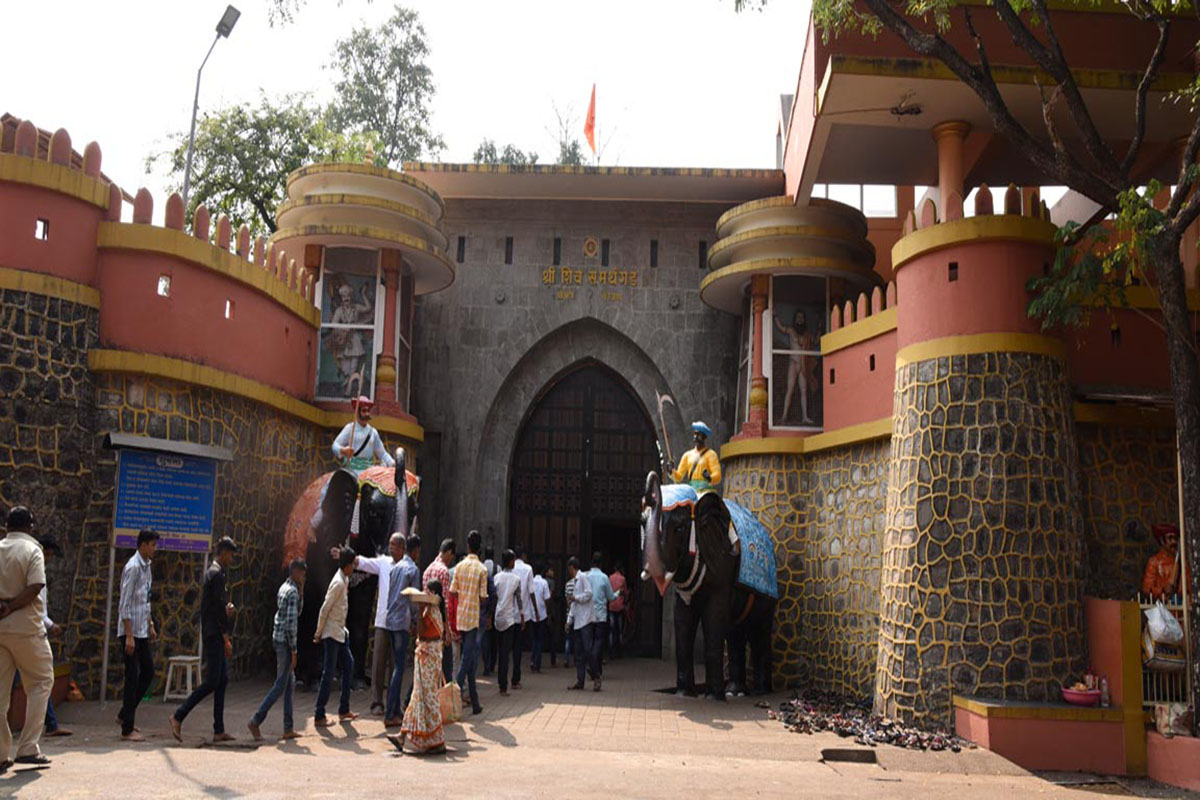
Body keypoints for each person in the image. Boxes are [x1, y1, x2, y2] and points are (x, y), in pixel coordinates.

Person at [0, 506, 55, 770]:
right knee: (41, 682)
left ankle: (1, 753)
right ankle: (28, 747)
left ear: (7, 526)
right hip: (26, 629)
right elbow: (35, 586)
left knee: (0, 694)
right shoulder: (33, 550)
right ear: (30, 526)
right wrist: (11, 606)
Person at [171, 536, 239, 743]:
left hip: (213, 632)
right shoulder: (216, 574)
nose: (231, 559)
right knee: (212, 681)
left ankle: (219, 729)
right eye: (230, 555)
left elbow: (217, 605)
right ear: (224, 553)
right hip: (214, 634)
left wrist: (226, 609)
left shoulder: (215, 573)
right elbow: (217, 611)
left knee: (222, 680)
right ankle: (178, 716)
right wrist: (225, 637)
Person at [335, 532, 411, 717]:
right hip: (383, 621)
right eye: (389, 544)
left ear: (401, 548)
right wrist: (346, 556)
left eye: (393, 545)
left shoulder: (408, 568)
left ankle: (393, 703)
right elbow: (364, 563)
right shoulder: (384, 563)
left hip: (399, 623)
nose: (390, 548)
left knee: (395, 665)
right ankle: (377, 703)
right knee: (378, 663)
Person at [312, 396, 395, 533]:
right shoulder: (349, 429)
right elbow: (335, 445)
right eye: (364, 410)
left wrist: (392, 463)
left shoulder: (373, 433)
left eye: (368, 410)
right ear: (358, 412)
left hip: (368, 472)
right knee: (328, 486)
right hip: (351, 470)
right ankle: (318, 518)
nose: (366, 413)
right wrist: (343, 450)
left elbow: (382, 453)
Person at [249, 558, 306, 741]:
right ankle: (256, 720)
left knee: (289, 684)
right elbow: (291, 624)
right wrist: (294, 651)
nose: (303, 577)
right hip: (285, 643)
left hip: (279, 639)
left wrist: (302, 592)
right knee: (281, 684)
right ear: (296, 572)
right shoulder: (292, 593)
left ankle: (288, 727)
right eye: (302, 573)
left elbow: (294, 613)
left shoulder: (284, 588)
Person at [389, 581, 446, 755]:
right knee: (418, 697)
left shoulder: (430, 611)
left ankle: (438, 740)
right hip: (430, 656)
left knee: (428, 698)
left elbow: (421, 633)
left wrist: (420, 611)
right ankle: (402, 735)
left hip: (427, 657)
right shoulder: (436, 610)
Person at [117, 528, 159, 742]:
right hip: (130, 631)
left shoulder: (147, 567)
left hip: (141, 629)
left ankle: (126, 712)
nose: (154, 549)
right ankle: (127, 728)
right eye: (152, 545)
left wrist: (150, 624)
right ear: (143, 545)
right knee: (132, 677)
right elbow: (124, 602)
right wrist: (129, 635)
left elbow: (145, 600)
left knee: (148, 672)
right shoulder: (133, 567)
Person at [314, 547, 359, 727]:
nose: (354, 568)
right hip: (332, 633)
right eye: (352, 565)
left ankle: (344, 709)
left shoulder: (344, 579)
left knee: (349, 665)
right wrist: (318, 632)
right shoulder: (338, 583)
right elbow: (325, 608)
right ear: (347, 565)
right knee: (329, 672)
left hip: (340, 631)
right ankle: (319, 713)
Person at [448, 530, 488, 715]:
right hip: (472, 618)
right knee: (466, 659)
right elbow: (483, 596)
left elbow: (452, 591)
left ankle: (476, 702)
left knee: (469, 659)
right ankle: (454, 691)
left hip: (461, 617)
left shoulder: (459, 567)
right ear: (480, 548)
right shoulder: (482, 569)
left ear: (467, 546)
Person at [34, 535, 70, 738]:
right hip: (32, 632)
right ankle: (50, 723)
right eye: (46, 554)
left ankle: (51, 722)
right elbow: (36, 607)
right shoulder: (34, 572)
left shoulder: (39, 571)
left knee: (41, 679)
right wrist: (50, 625)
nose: (47, 559)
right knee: (44, 678)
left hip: (32, 629)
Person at [383, 535, 420, 727]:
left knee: (396, 666)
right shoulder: (412, 569)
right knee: (399, 667)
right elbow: (414, 599)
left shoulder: (396, 568)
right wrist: (416, 621)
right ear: (415, 550)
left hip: (391, 619)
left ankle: (395, 709)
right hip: (402, 621)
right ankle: (390, 713)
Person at [774, 309, 818, 424]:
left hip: (803, 364)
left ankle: (805, 417)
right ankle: (784, 416)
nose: (800, 319)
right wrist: (775, 315)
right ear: (795, 319)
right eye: (798, 317)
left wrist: (820, 326)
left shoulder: (807, 334)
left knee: (804, 390)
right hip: (793, 362)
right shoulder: (791, 330)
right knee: (790, 389)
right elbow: (780, 328)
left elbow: (815, 341)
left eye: (802, 317)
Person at [493, 550, 525, 695]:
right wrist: (522, 616)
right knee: (505, 654)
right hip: (509, 618)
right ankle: (503, 686)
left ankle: (500, 682)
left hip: (498, 616)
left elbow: (493, 597)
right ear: (511, 561)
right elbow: (519, 599)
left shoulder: (496, 578)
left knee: (500, 651)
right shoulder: (516, 579)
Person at [424, 538, 455, 683]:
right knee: (446, 665)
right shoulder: (444, 571)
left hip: (428, 622)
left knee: (428, 663)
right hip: (439, 623)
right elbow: (446, 603)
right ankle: (448, 694)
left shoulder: (427, 570)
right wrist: (447, 630)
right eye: (452, 556)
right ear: (449, 553)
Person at [586, 552, 616, 690]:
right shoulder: (604, 578)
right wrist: (618, 594)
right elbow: (610, 597)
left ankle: (595, 669)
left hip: (587, 615)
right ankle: (594, 665)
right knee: (598, 643)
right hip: (600, 615)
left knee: (591, 641)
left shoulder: (586, 576)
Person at [566, 557, 596, 691]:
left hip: (586, 620)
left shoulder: (583, 577)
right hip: (578, 621)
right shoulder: (575, 581)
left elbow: (589, 594)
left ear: (572, 568)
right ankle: (580, 680)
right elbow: (573, 604)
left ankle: (596, 675)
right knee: (578, 653)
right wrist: (569, 620)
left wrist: (576, 598)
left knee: (588, 650)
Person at [672, 422, 722, 496]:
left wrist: (710, 478)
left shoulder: (711, 454)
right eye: (695, 434)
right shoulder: (687, 455)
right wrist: (672, 471)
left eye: (699, 434)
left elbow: (718, 475)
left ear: (704, 437)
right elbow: (679, 477)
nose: (696, 436)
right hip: (692, 492)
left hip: (706, 492)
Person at [1143, 523, 1189, 599]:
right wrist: (1163, 590)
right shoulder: (1154, 562)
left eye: (1175, 538)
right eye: (1170, 538)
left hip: (1180, 604)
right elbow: (1147, 589)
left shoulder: (1183, 563)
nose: (1174, 542)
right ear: (1162, 541)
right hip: (1162, 605)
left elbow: (1189, 588)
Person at [511, 546, 533, 688]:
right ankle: (515, 678)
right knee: (518, 648)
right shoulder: (528, 569)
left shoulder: (508, 570)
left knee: (506, 647)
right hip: (522, 613)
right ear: (523, 555)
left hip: (508, 613)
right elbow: (531, 591)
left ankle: (503, 679)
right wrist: (535, 609)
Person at [529, 564, 550, 672]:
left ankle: (533, 660)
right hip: (542, 613)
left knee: (534, 639)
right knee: (539, 639)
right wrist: (548, 611)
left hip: (532, 613)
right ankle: (537, 663)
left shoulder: (531, 582)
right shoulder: (544, 583)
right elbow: (547, 598)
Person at [481, 547, 497, 676]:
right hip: (491, 607)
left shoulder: (480, 568)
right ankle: (491, 664)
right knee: (492, 638)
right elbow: (495, 591)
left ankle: (485, 664)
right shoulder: (497, 568)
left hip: (480, 607)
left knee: (483, 639)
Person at [608, 562, 627, 660]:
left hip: (611, 605)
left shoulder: (610, 578)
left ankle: (610, 650)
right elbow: (625, 592)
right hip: (619, 605)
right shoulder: (622, 579)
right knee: (619, 629)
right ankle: (619, 650)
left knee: (611, 630)